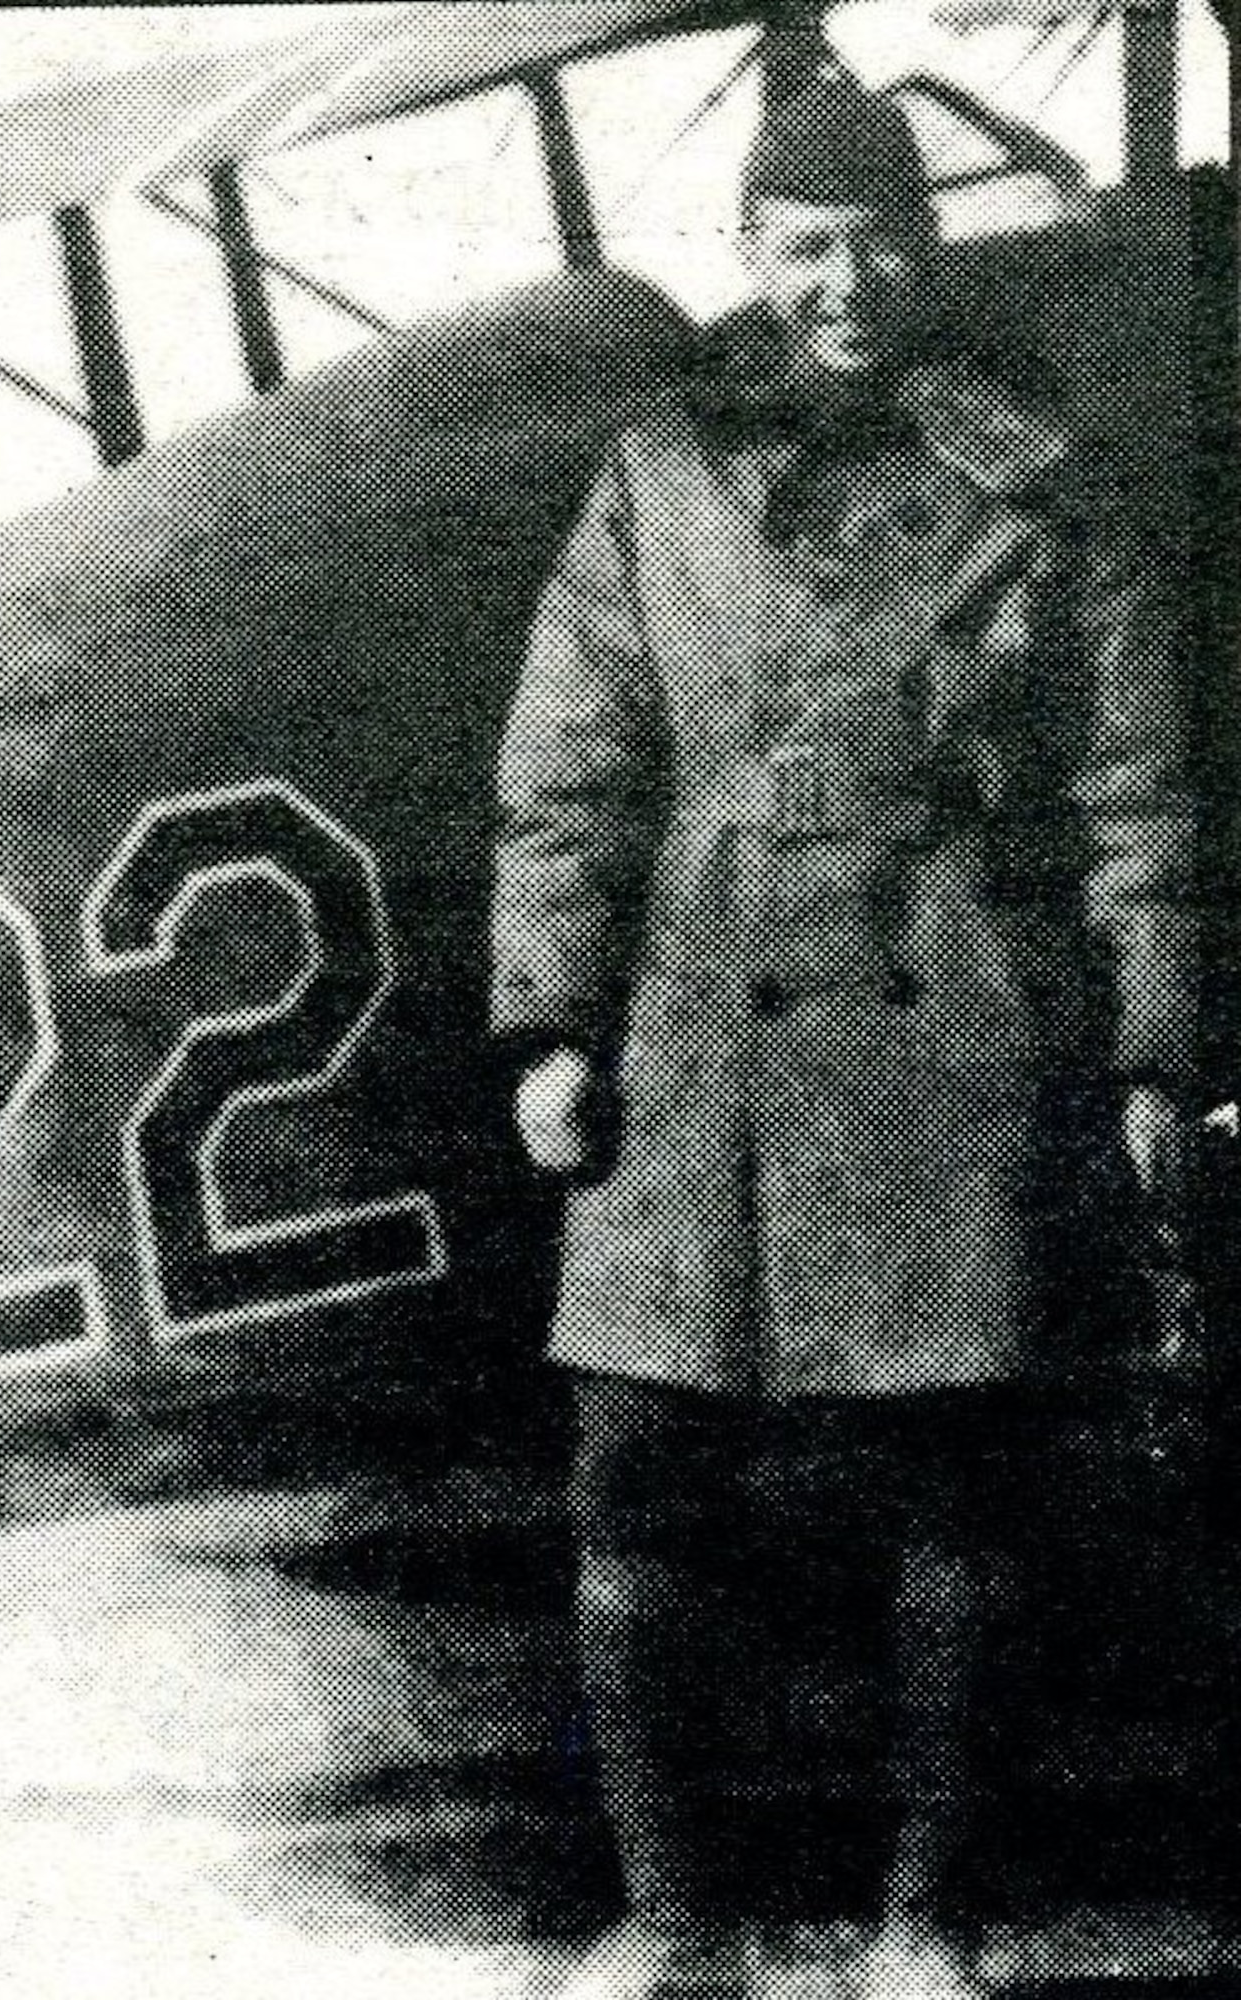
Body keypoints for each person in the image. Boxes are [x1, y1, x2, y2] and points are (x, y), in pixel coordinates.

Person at [491, 53, 1194, 2000]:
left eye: (877, 241)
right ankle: (674, 1920)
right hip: (695, 1015)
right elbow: (572, 765)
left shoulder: (1040, 481)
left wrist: (1148, 1053)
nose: (844, 286)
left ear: (926, 242)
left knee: (958, 1472)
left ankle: (926, 1929)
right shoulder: (656, 469)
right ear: (745, 251)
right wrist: (549, 1023)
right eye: (802, 246)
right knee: (634, 1461)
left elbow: (1134, 794)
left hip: (941, 995)